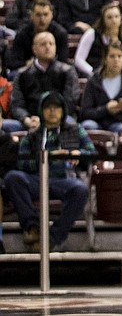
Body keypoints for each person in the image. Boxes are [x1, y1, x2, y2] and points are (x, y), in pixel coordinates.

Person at [4, 90, 95, 251]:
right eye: (48, 108)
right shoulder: (32, 135)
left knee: (80, 190)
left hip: (65, 180)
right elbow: (22, 163)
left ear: (63, 110)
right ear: (41, 111)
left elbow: (93, 153)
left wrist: (79, 154)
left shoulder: (76, 130)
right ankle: (32, 227)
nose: (53, 111)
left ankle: (52, 237)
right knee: (13, 177)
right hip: (38, 179)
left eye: (57, 108)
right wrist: (46, 158)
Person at [9, 32, 79, 129]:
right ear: (34, 49)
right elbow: (16, 104)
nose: (48, 47)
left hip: (60, 118)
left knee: (71, 123)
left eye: (51, 44)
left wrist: (48, 118)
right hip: (31, 119)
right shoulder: (22, 74)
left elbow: (70, 101)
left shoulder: (67, 71)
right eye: (43, 44)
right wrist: (26, 119)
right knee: (9, 126)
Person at [78, 43, 122, 133]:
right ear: (105, 59)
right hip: (97, 123)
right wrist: (105, 109)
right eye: (112, 56)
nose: (116, 60)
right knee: (87, 126)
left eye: (119, 56)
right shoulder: (93, 80)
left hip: (121, 123)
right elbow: (85, 112)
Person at [73, 2, 122, 79]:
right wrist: (92, 72)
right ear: (103, 19)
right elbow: (79, 59)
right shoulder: (91, 34)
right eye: (109, 17)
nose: (113, 20)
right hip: (93, 75)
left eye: (116, 17)